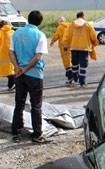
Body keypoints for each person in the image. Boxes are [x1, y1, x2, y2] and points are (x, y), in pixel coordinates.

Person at [9, 11, 48, 143]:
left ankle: (16, 132)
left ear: (28, 20)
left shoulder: (16, 33)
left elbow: (11, 52)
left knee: (19, 103)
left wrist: (18, 67)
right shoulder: (40, 35)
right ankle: (37, 134)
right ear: (40, 22)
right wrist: (26, 68)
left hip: (19, 74)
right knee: (36, 105)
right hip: (35, 74)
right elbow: (37, 57)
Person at [63, 11, 98, 88]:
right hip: (84, 48)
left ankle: (75, 81)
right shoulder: (87, 24)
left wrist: (66, 45)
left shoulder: (71, 25)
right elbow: (93, 35)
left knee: (75, 65)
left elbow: (67, 36)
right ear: (83, 16)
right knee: (83, 66)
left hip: (74, 48)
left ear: (77, 17)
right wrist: (95, 42)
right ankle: (82, 82)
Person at [50, 17, 72, 86]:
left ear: (59, 22)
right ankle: (74, 77)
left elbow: (56, 36)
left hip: (64, 47)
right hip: (71, 46)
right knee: (72, 61)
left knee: (67, 63)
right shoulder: (70, 25)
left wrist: (52, 41)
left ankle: (70, 79)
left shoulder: (60, 27)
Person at [0, 19, 15, 91]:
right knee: (11, 70)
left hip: (2, 55)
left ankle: (12, 84)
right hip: (12, 54)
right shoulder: (13, 32)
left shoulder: (0, 32)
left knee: (7, 71)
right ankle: (12, 84)